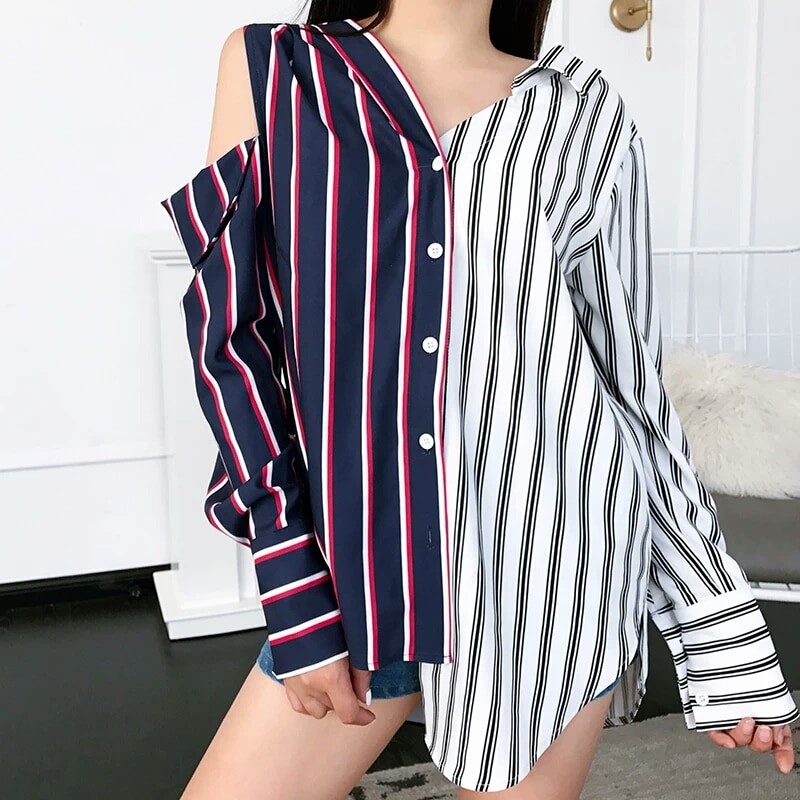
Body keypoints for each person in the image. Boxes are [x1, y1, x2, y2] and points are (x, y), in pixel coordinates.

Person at [160, 2, 798, 798]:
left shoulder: (582, 111)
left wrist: (721, 632)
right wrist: (292, 586)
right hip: (359, 569)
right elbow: (232, 345)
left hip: (548, 572)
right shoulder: (277, 70)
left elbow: (631, 393)